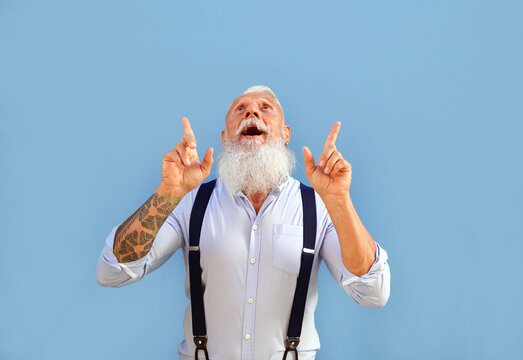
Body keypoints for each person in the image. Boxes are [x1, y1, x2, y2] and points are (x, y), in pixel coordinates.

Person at [96, 85, 391, 360]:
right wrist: (167, 193)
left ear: (285, 133)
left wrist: (339, 200)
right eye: (241, 109)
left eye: (265, 107)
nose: (252, 113)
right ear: (225, 138)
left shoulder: (317, 206)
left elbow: (373, 292)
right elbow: (112, 271)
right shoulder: (191, 202)